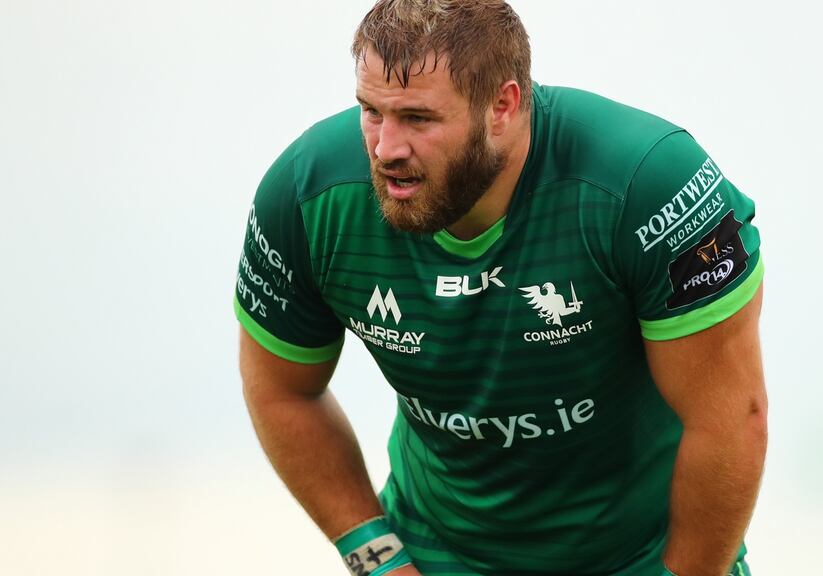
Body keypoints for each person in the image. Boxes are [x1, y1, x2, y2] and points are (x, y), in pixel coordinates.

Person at [233, 1, 767, 575]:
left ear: (503, 106)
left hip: (644, 557)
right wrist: (378, 559)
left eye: (418, 118)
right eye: (371, 112)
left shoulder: (647, 185)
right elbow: (282, 390)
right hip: (436, 553)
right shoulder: (309, 192)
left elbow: (731, 420)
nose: (386, 148)